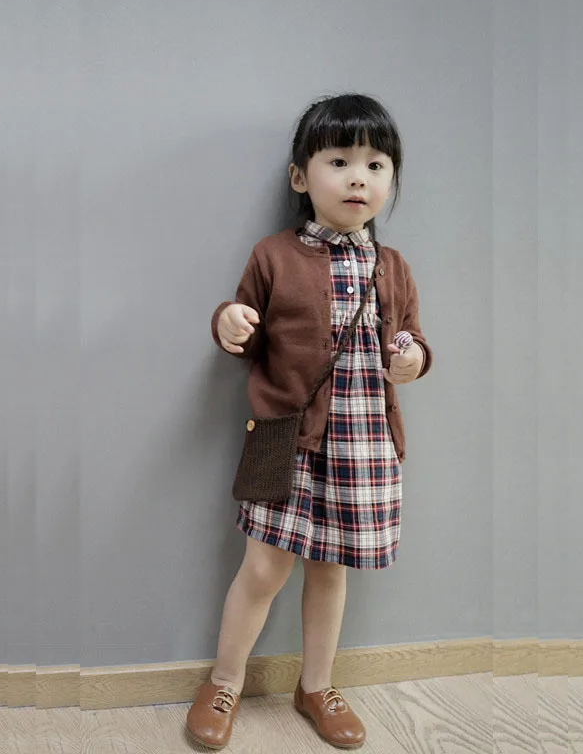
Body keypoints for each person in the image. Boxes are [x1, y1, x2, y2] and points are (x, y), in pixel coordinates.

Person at [186, 93, 433, 750]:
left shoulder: (393, 266)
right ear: (301, 177)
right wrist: (228, 320)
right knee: (264, 569)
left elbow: (410, 340)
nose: (359, 178)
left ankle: (316, 686)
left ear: (391, 181)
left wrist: (412, 359)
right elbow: (242, 328)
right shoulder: (274, 255)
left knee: (330, 572)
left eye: (376, 165)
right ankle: (225, 680)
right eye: (339, 161)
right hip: (288, 442)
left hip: (363, 445)